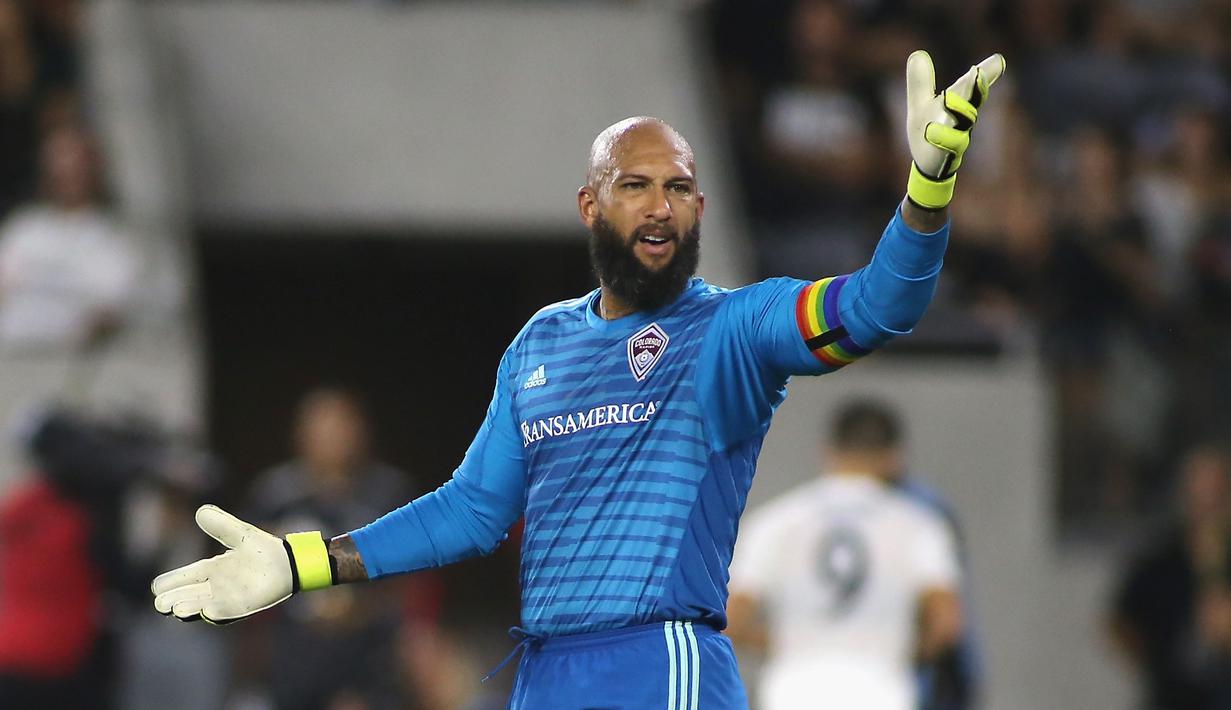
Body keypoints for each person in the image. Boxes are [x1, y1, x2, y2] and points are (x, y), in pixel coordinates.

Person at [152, 50, 1005, 708]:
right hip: (548, 670)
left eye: (677, 188)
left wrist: (925, 194)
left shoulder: (730, 331)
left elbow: (876, 308)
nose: (659, 205)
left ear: (700, 212)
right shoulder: (538, 345)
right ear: (590, 206)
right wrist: (304, 561)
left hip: (659, 662)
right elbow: (472, 509)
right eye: (634, 186)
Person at [725, 400, 963, 710]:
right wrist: (894, 650)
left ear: (828, 451)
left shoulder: (777, 522)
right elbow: (946, 624)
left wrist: (792, 644)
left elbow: (732, 620)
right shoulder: (919, 525)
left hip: (793, 692)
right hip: (882, 693)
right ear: (895, 457)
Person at [239, 388, 417, 710]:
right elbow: (247, 573)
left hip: (370, 640)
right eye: (320, 426)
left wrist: (359, 610)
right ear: (299, 433)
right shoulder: (274, 495)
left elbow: (413, 580)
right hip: (292, 640)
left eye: (340, 425)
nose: (331, 436)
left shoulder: (390, 493)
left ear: (361, 431)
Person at [1108, 445, 1231, 710]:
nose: (1205, 507)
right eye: (1197, 496)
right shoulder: (1161, 560)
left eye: (1214, 497)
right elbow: (1120, 623)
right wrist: (1155, 664)